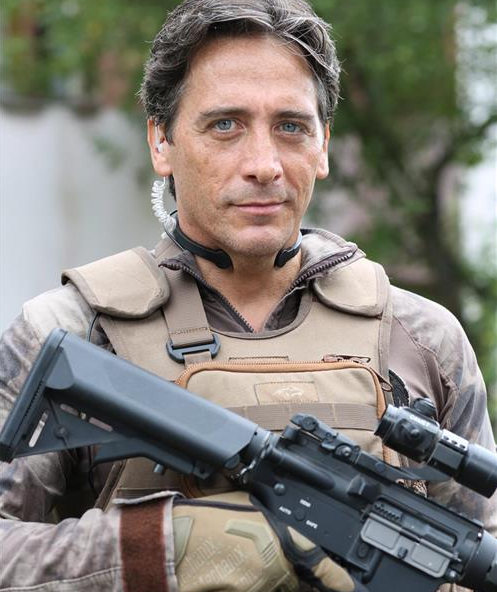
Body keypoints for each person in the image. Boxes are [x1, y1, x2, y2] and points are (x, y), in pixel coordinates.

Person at [0, 0, 495, 591]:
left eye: (291, 126)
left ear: (323, 145)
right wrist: (172, 547)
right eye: (225, 125)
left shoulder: (422, 338)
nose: (263, 165)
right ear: (161, 142)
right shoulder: (72, 331)